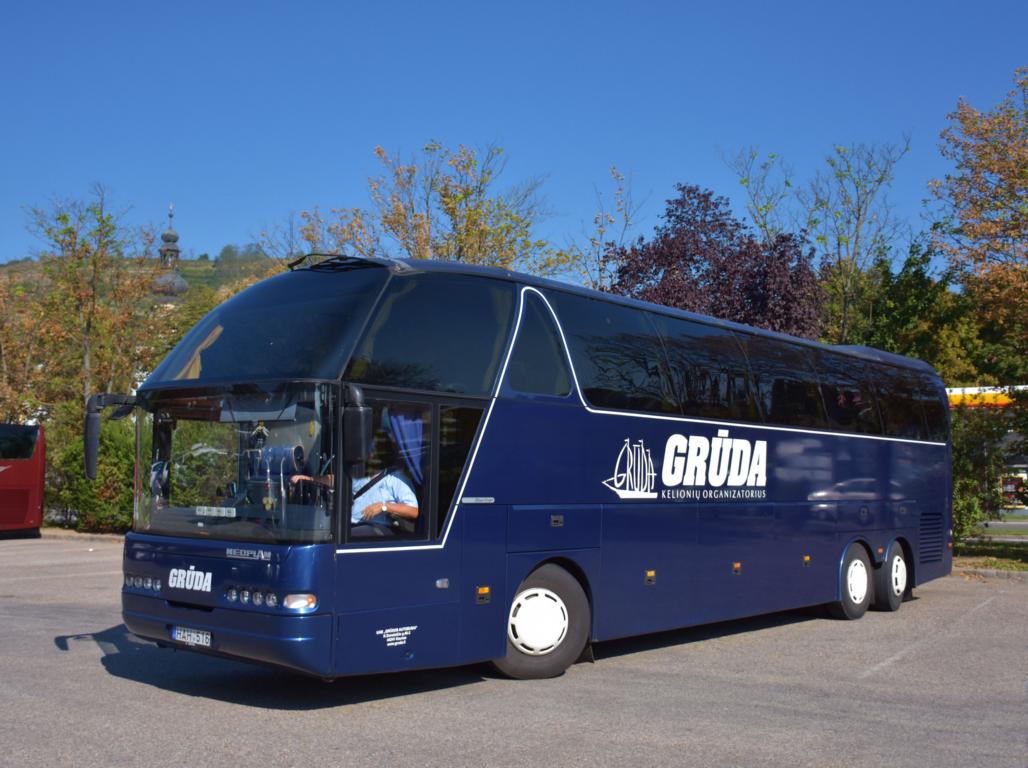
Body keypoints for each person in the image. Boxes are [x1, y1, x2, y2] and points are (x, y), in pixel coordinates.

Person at [290, 468, 419, 535]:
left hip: (378, 528)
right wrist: (309, 479)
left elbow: (414, 511)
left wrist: (384, 507)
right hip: (351, 524)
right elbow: (336, 480)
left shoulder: (396, 479)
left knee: (341, 539)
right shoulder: (364, 474)